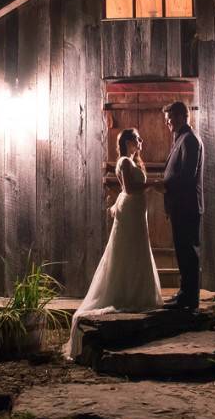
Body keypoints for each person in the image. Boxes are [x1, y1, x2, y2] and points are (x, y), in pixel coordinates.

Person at [63, 128, 163, 360]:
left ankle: (136, 292)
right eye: (137, 138)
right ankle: (124, 294)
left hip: (136, 211)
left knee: (137, 249)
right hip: (131, 210)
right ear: (128, 141)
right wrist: (153, 184)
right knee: (127, 250)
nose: (141, 140)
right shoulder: (125, 162)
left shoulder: (133, 161)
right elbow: (129, 189)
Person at [159, 101, 204, 310]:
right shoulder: (181, 138)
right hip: (180, 206)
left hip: (187, 206)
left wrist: (164, 184)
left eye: (169, 120)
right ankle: (184, 293)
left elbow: (187, 175)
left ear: (180, 117)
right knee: (182, 251)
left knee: (189, 252)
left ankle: (190, 299)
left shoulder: (190, 140)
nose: (168, 124)